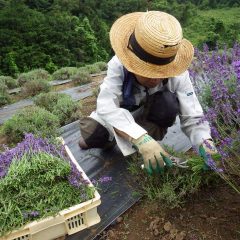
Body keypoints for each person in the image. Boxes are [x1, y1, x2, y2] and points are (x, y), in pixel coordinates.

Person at [79, 11, 217, 174]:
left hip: (147, 115)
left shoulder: (178, 72)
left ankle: (146, 146)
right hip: (120, 113)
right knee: (93, 132)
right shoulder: (118, 65)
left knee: (167, 106)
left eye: (162, 72)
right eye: (149, 71)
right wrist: (140, 138)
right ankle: (125, 140)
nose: (155, 79)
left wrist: (205, 142)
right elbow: (107, 107)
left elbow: (192, 115)